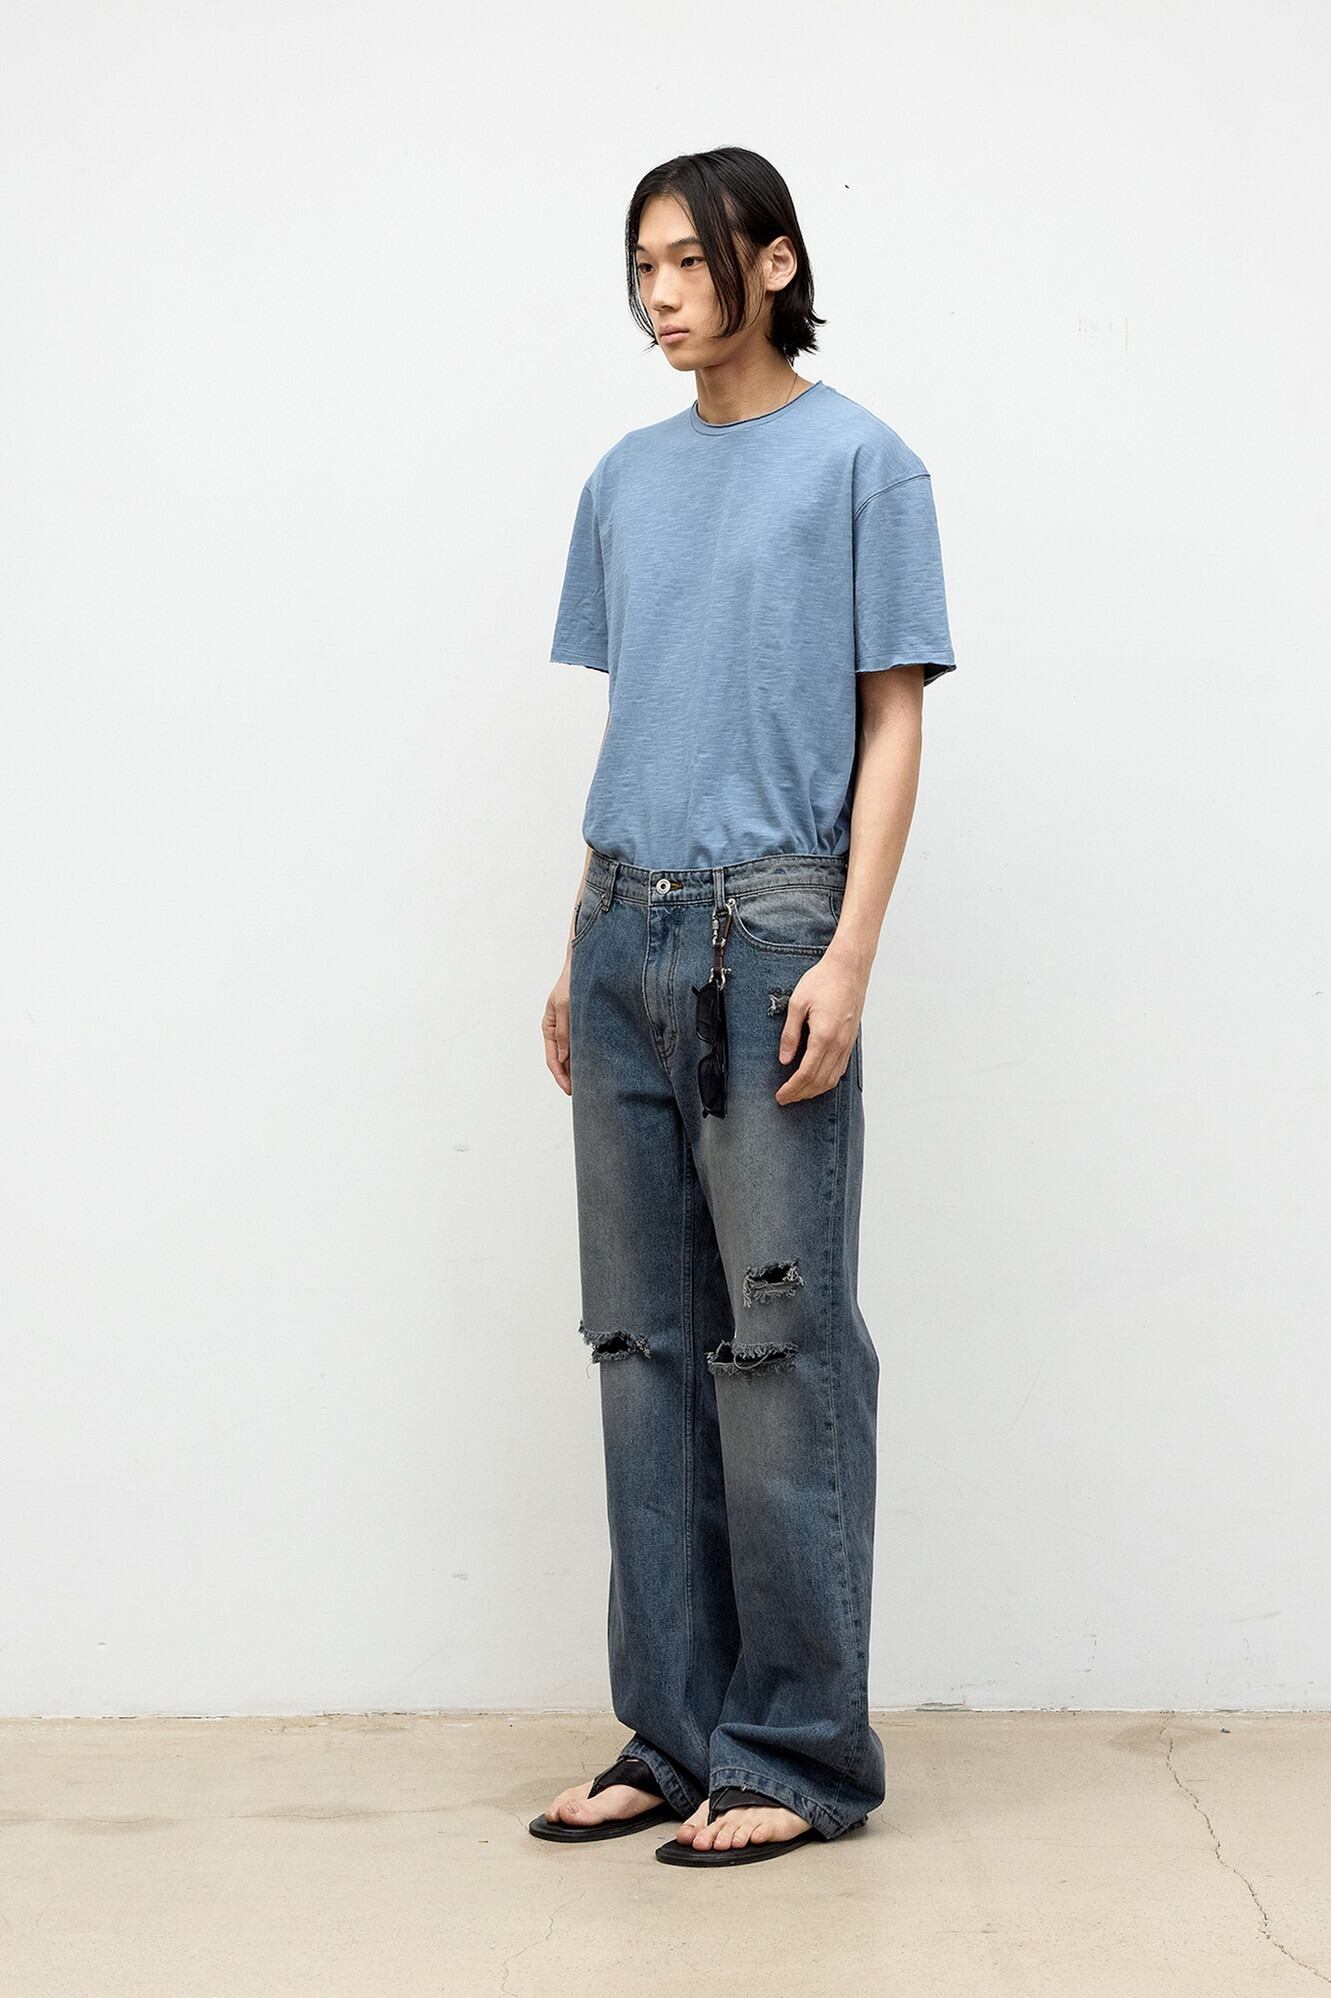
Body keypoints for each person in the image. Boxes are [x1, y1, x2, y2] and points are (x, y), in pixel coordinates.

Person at [531, 146, 957, 1868]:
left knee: (780, 1347)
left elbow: (894, 717)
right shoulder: (623, 478)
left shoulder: (863, 463)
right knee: (641, 1347)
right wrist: (575, 941)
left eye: (688, 261)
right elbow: (644, 714)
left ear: (772, 262)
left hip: (775, 928)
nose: (661, 293)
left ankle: (796, 1751)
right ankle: (675, 1730)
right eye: (641, 265)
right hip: (623, 926)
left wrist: (850, 951)